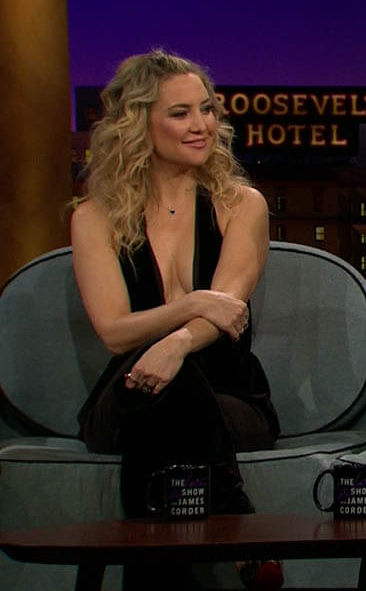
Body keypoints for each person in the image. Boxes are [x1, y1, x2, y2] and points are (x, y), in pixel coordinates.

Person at [70, 49, 282, 589]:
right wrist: (189, 306)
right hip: (128, 388)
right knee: (161, 390)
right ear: (139, 123)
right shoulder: (94, 217)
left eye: (207, 109)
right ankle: (239, 522)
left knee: (167, 400)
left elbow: (228, 311)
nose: (201, 125)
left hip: (229, 396)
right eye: (181, 113)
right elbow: (113, 330)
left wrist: (176, 344)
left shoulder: (242, 205)